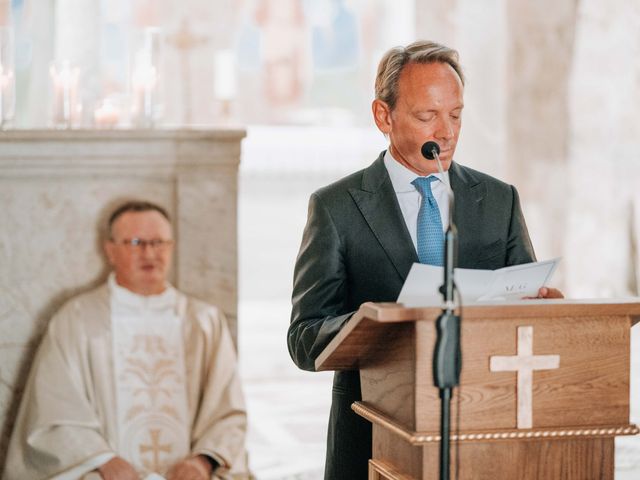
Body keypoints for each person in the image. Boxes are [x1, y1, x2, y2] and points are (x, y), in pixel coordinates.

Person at [287, 40, 563, 479]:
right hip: (373, 439)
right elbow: (303, 340)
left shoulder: (497, 200)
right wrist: (370, 321)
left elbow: (524, 309)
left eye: (455, 115)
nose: (447, 132)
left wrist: (545, 313)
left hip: (485, 436)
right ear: (384, 115)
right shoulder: (336, 208)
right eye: (427, 116)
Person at [4, 201, 247, 480]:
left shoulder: (204, 321)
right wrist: (104, 460)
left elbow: (228, 411)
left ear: (171, 246)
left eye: (158, 242)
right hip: (102, 473)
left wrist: (201, 462)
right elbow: (54, 409)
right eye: (135, 242)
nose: (149, 253)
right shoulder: (78, 319)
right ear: (110, 250)